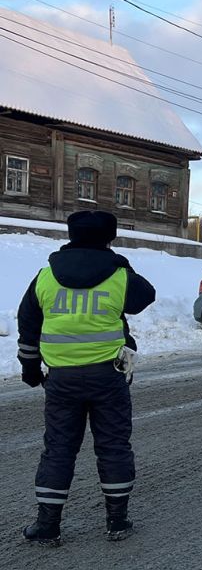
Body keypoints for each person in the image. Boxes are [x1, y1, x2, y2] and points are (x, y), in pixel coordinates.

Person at [17, 211, 155, 546]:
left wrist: (31, 370)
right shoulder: (120, 276)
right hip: (109, 378)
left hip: (61, 381)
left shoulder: (45, 277)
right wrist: (119, 262)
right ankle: (117, 521)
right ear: (111, 237)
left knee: (59, 449)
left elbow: (28, 327)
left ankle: (48, 526)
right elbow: (145, 296)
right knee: (113, 446)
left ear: (71, 234)